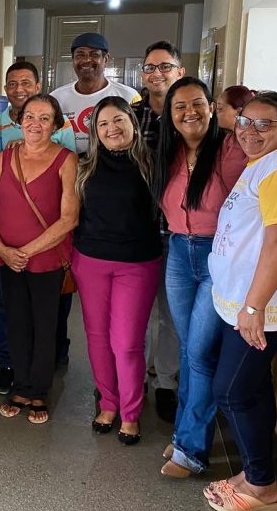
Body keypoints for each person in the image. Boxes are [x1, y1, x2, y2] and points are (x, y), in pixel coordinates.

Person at [204, 92, 277, 511]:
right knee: (252, 389)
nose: (249, 131)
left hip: (262, 309)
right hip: (245, 304)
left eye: (263, 124)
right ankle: (255, 474)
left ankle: (264, 488)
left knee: (232, 392)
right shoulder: (265, 164)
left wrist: (254, 307)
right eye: (244, 121)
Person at [151, 77, 247, 478]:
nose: (189, 112)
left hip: (218, 255)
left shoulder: (231, 148)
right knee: (190, 349)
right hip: (177, 250)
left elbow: (269, 166)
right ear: (170, 116)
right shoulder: (168, 152)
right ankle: (184, 435)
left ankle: (191, 450)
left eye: (197, 104)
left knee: (200, 351)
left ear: (211, 108)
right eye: (180, 107)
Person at [0, 94, 78, 423]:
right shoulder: (3, 158)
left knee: (45, 324)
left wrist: (26, 252)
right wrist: (3, 249)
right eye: (29, 116)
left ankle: (39, 391)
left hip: (46, 258)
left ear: (55, 125)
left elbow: (69, 218)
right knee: (16, 321)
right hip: (7, 257)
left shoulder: (66, 160)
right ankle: (20, 386)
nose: (35, 123)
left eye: (44, 118)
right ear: (19, 121)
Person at [72, 97, 161, 445]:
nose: (112, 129)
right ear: (95, 131)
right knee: (96, 336)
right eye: (103, 123)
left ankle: (131, 412)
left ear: (133, 124)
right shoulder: (84, 166)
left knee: (126, 343)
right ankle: (108, 403)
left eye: (119, 120)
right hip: (90, 261)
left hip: (137, 264)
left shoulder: (153, 163)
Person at [132, 41, 186, 423]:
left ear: (179, 72)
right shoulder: (131, 115)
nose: (157, 73)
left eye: (165, 66)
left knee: (169, 313)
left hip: (176, 230)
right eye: (150, 67)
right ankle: (133, 380)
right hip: (135, 228)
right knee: (136, 313)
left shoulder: (190, 114)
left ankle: (166, 381)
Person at [50, 33, 140, 155]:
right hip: (67, 165)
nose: (86, 60)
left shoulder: (129, 96)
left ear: (106, 58)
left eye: (94, 54)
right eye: (80, 55)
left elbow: (139, 139)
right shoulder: (56, 98)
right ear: (73, 60)